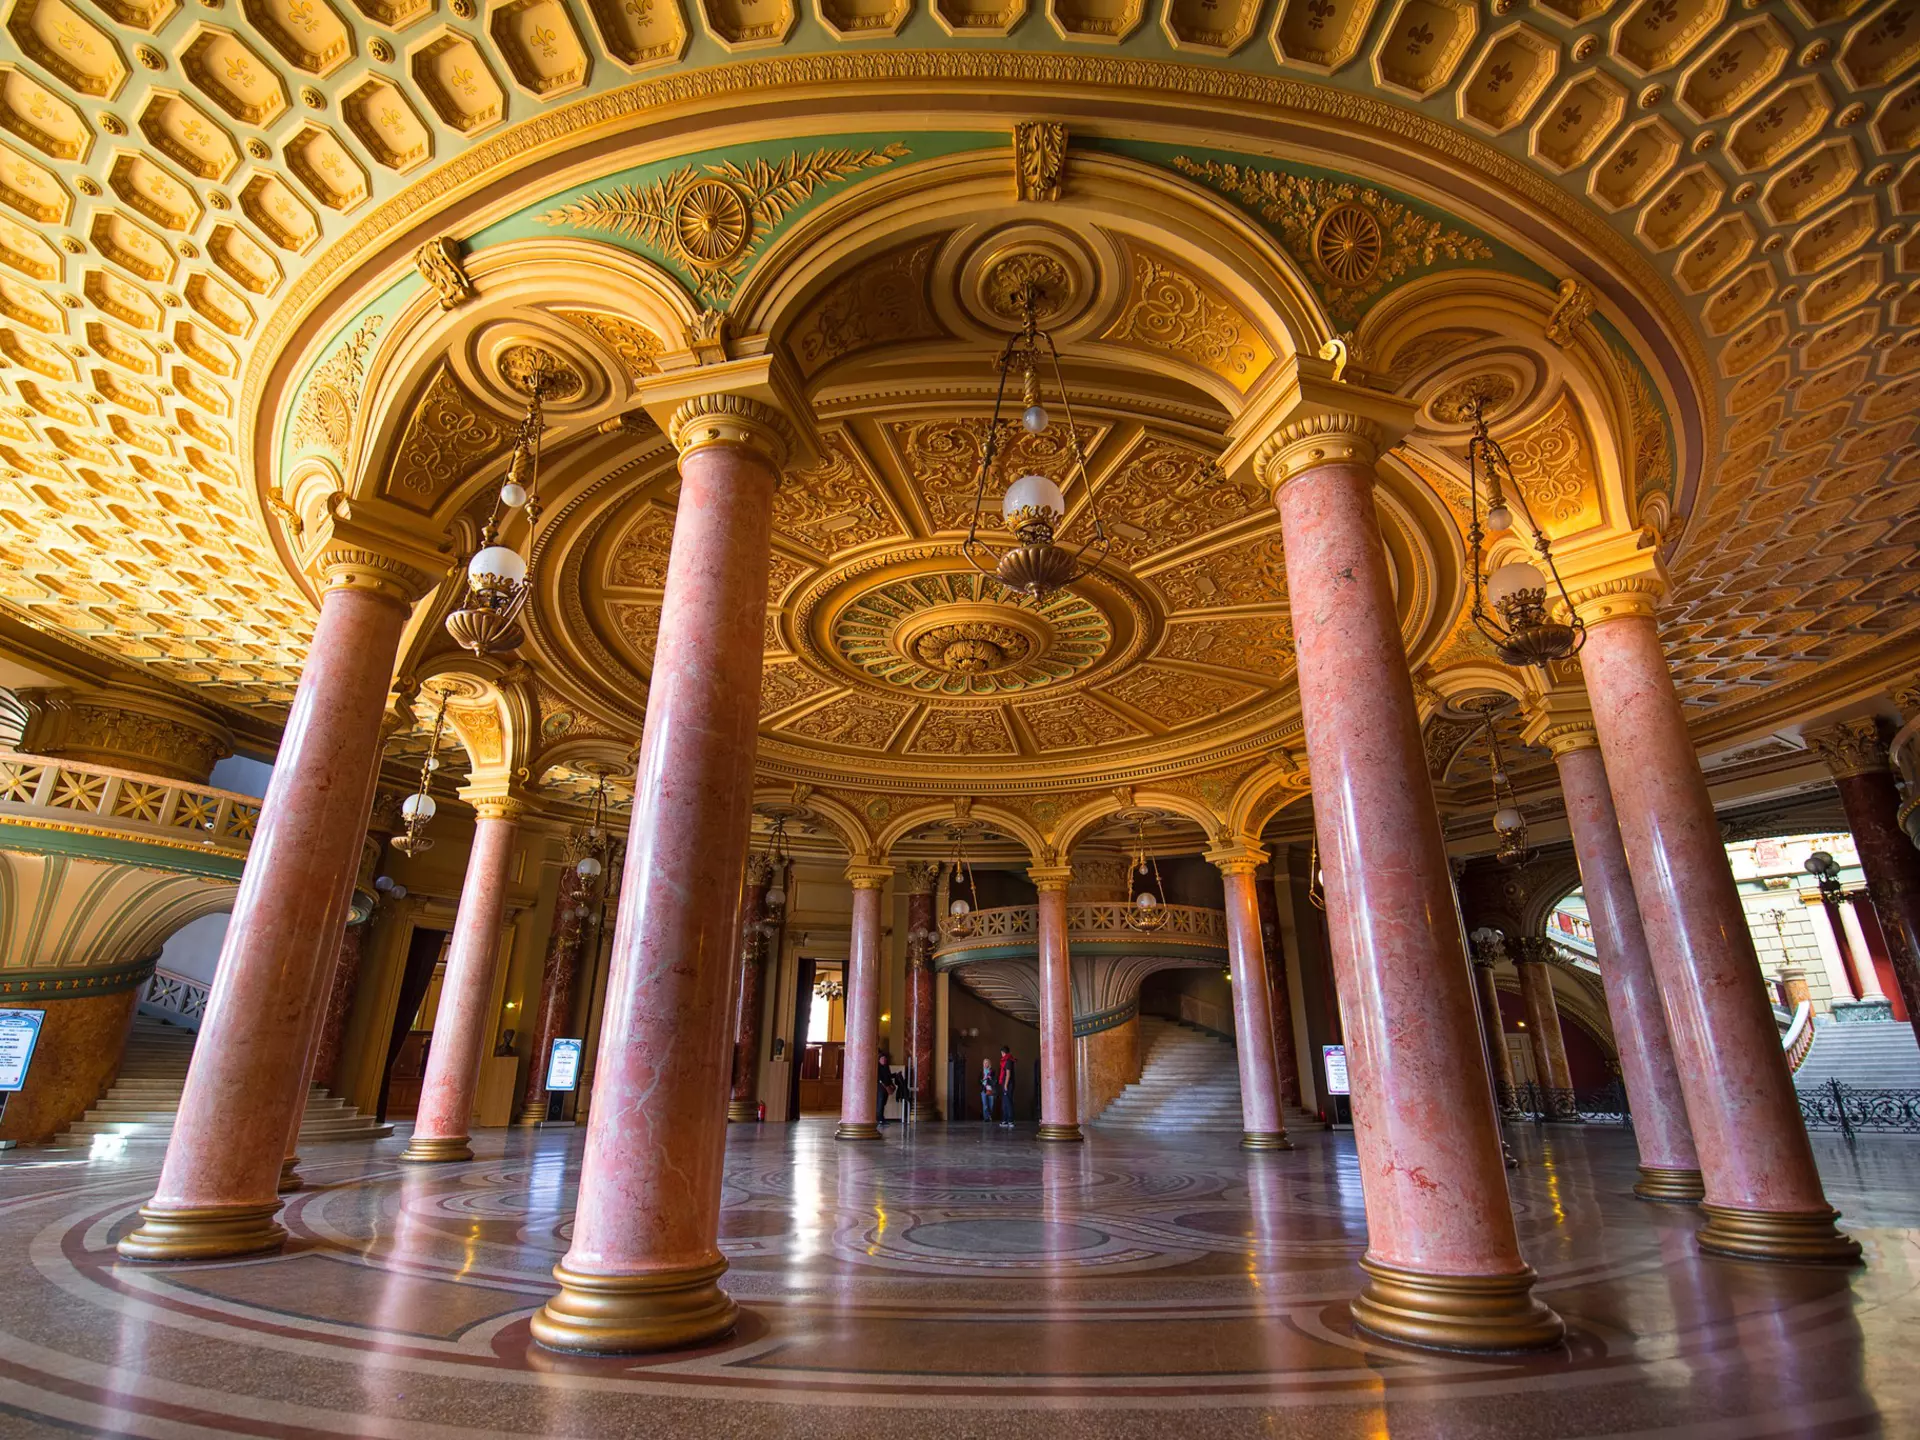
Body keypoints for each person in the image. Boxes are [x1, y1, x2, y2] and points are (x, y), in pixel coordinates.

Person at [997, 1046, 1016, 1128]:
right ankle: (1005, 1120)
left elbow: (1008, 1074)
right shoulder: (1007, 1060)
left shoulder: (1008, 1061)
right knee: (1005, 1102)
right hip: (1007, 1083)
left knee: (1008, 1102)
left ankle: (1010, 1121)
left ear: (1003, 1052)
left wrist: (1005, 1084)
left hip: (1008, 1084)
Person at [877, 1050, 894, 1126]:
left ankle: (882, 1118)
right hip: (880, 1088)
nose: (884, 1060)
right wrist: (886, 1086)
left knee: (883, 1103)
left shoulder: (886, 1067)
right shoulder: (878, 1068)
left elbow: (888, 1077)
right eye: (882, 1059)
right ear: (879, 1060)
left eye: (885, 1059)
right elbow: (879, 1079)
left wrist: (892, 1084)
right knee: (880, 1103)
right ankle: (879, 1119)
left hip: (886, 1088)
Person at [980, 1058, 996, 1127]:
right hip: (983, 1090)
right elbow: (978, 1081)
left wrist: (990, 1078)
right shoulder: (981, 1072)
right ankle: (986, 1118)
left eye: (987, 1063)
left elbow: (995, 1081)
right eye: (984, 1063)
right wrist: (982, 1080)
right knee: (985, 1105)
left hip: (991, 1090)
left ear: (989, 1064)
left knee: (991, 1105)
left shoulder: (993, 1071)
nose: (986, 1064)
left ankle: (989, 1116)